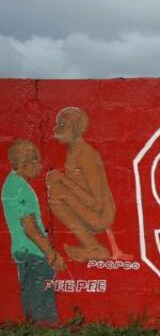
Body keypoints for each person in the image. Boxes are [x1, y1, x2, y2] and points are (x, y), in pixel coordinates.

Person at [46, 106, 131, 261]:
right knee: (56, 189)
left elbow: (97, 203)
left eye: (62, 125)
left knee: (56, 190)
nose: (55, 129)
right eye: (58, 124)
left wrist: (62, 180)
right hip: (89, 211)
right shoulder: (73, 151)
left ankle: (93, 248)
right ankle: (93, 247)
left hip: (100, 215)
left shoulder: (84, 155)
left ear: (76, 130)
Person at [3, 140, 65, 324]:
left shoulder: (10, 184)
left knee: (30, 298)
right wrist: (52, 254)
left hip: (21, 252)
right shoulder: (23, 189)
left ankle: (34, 331)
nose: (40, 165)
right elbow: (30, 228)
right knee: (43, 305)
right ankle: (46, 332)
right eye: (36, 160)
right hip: (34, 254)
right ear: (25, 164)